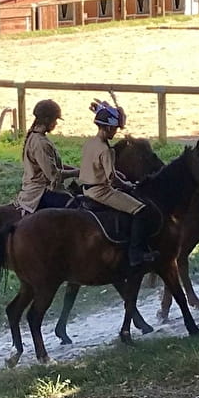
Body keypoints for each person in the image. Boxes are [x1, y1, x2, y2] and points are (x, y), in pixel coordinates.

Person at [79, 100, 161, 272]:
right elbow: (112, 180)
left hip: (87, 189)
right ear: (108, 128)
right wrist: (129, 186)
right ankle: (135, 253)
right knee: (141, 210)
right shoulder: (106, 150)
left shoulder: (90, 143)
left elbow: (100, 169)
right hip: (101, 191)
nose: (115, 132)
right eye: (115, 129)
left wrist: (120, 177)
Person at [16, 100, 78, 214]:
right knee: (77, 208)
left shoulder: (37, 137)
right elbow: (54, 175)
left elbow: (53, 165)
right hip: (39, 194)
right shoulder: (40, 143)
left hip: (38, 189)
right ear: (46, 119)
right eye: (55, 120)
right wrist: (76, 173)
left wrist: (75, 169)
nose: (56, 124)